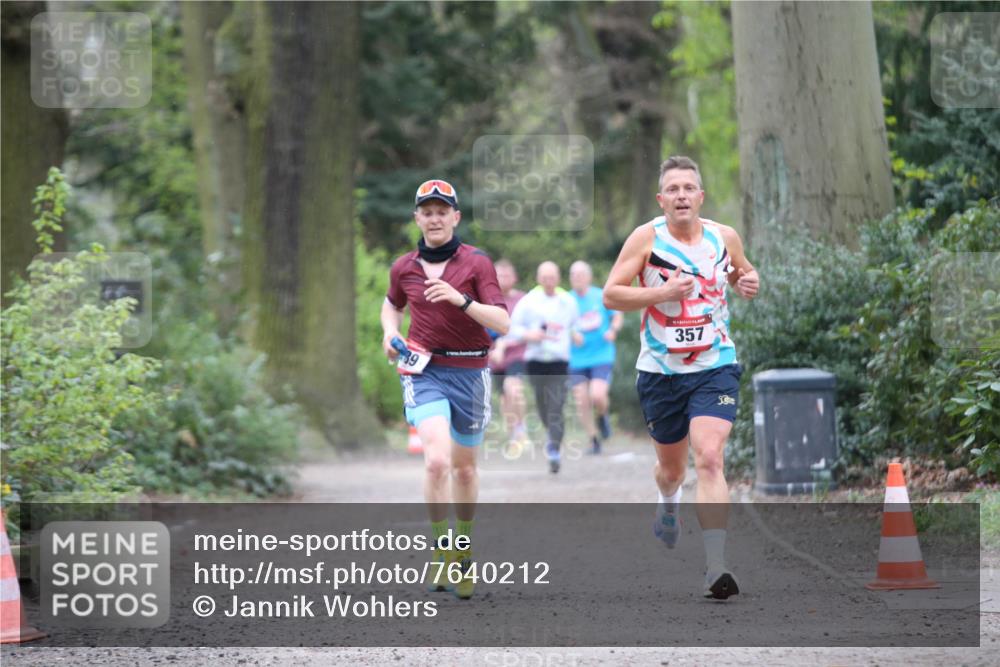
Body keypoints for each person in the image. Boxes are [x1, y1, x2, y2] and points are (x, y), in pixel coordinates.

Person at [603, 156, 759, 600]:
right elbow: (611, 294)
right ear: (661, 199)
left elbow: (743, 272)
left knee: (709, 457)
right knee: (672, 470)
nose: (682, 195)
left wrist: (748, 282)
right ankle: (668, 501)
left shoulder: (723, 237)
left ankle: (715, 565)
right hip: (661, 373)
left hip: (714, 365)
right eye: (673, 189)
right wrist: (662, 292)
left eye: (689, 188)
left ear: (701, 196)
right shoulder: (646, 239)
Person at [381, 179, 510, 599]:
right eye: (427, 212)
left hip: (471, 373)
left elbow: (503, 322)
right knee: (437, 462)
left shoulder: (477, 263)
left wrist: (461, 300)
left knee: (465, 469)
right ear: (417, 218)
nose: (434, 219)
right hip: (425, 371)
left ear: (455, 217)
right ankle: (441, 549)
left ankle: (464, 548)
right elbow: (392, 304)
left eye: (442, 212)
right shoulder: (405, 267)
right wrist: (389, 333)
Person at [508, 261, 579, 474]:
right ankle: (551, 435)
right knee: (543, 406)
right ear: (539, 278)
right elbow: (511, 328)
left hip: (559, 360)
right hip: (536, 360)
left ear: (558, 277)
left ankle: (554, 450)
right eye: (545, 277)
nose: (548, 281)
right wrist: (529, 335)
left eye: (552, 277)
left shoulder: (568, 301)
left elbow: (575, 325)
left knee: (557, 405)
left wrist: (577, 335)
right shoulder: (528, 301)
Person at [568, 260, 623, 455]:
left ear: (589, 277)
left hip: (601, 354)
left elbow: (617, 315)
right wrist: (571, 334)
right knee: (581, 400)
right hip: (576, 358)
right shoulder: (566, 300)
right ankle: (593, 439)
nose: (577, 278)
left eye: (581, 274)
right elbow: (557, 324)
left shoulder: (600, 295)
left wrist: (613, 330)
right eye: (574, 275)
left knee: (597, 395)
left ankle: (602, 416)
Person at [487, 259, 529, 458]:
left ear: (515, 278)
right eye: (499, 275)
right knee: (505, 399)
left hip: (517, 354)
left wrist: (505, 345)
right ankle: (515, 436)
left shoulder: (524, 300)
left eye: (507, 275)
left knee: (514, 389)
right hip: (494, 358)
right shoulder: (487, 300)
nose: (503, 279)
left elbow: (529, 329)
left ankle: (522, 428)